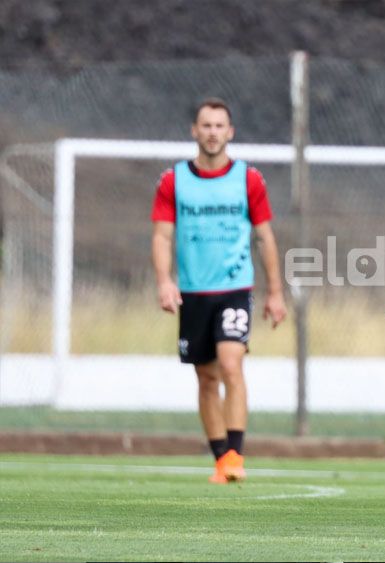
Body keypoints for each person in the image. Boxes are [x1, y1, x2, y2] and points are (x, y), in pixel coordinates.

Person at [151, 97, 287, 484]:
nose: (212, 132)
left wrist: (275, 292)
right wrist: (164, 281)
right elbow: (162, 236)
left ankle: (234, 456)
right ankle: (219, 460)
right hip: (194, 293)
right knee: (206, 378)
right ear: (195, 131)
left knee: (231, 364)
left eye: (219, 126)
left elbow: (265, 237)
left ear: (230, 132)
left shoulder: (248, 179)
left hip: (235, 288)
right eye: (205, 126)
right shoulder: (173, 180)